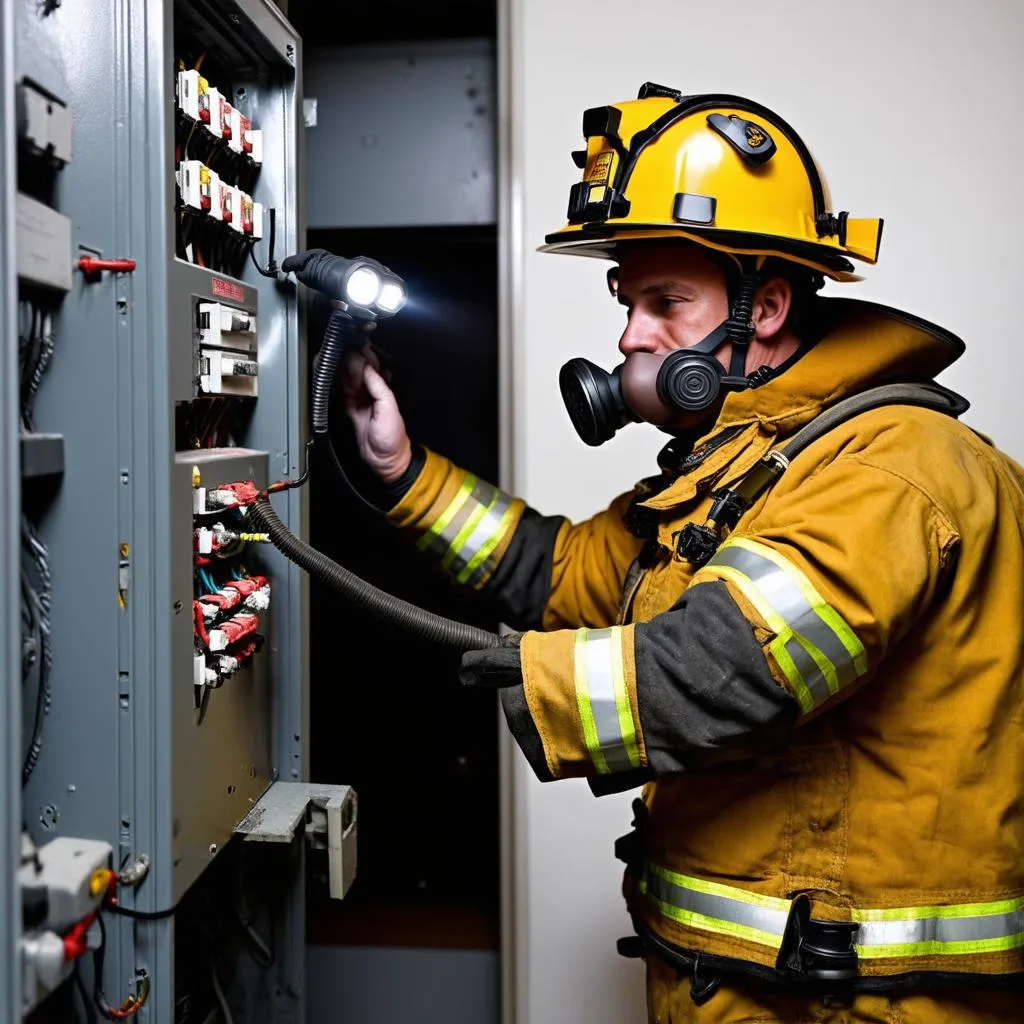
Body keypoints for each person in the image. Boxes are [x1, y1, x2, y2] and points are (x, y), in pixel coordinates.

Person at [291, 85, 1024, 1023]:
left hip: (862, 1010)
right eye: (627, 301)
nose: (631, 336)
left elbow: (733, 667)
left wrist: (532, 674)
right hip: (739, 994)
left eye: (663, 301)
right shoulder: (740, 471)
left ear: (764, 305)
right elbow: (555, 572)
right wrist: (399, 469)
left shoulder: (894, 467)